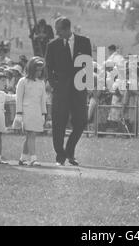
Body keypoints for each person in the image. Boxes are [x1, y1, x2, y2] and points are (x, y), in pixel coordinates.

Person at [45, 17, 92, 166]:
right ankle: (60, 156)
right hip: (60, 89)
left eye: (58, 30)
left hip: (79, 88)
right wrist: (53, 84)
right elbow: (48, 66)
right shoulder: (52, 45)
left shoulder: (84, 41)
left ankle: (70, 150)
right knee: (58, 122)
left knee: (81, 121)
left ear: (67, 29)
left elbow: (88, 64)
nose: (56, 33)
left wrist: (87, 84)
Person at [14, 57, 47, 166]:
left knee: (30, 136)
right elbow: (18, 98)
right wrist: (18, 113)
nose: (39, 72)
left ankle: (22, 158)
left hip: (37, 111)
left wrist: (43, 113)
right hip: (26, 111)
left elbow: (43, 99)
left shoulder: (41, 83)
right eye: (37, 70)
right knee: (31, 134)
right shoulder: (23, 81)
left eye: (40, 70)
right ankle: (33, 158)